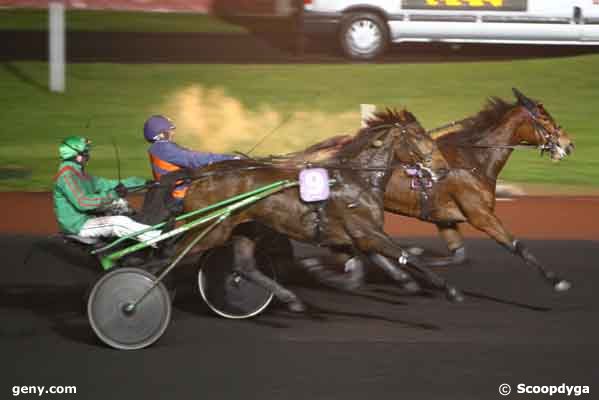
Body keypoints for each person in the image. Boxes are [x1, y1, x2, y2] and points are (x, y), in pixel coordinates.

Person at [53, 135, 161, 243]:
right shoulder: (67, 175)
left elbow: (107, 184)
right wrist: (112, 195)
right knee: (118, 222)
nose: (88, 155)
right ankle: (158, 238)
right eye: (86, 152)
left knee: (120, 203)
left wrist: (142, 182)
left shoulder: (79, 173)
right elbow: (83, 203)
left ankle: (136, 230)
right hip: (78, 225)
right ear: (78, 156)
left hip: (87, 216)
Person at [144, 115, 238, 201]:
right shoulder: (164, 148)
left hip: (174, 189)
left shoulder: (160, 148)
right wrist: (230, 158)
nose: (173, 133)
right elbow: (195, 159)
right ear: (160, 135)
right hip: (180, 193)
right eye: (169, 131)